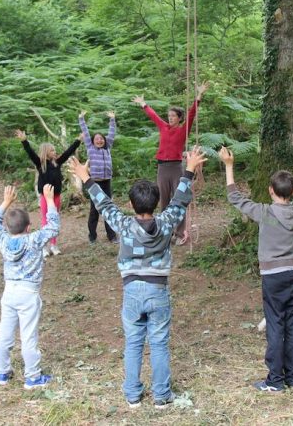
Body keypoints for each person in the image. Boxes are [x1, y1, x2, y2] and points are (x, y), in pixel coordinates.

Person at [68, 147, 207, 409]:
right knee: (159, 344)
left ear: (131, 205)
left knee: (133, 343)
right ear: (156, 203)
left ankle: (132, 395)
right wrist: (188, 170)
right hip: (158, 291)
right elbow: (179, 201)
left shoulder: (123, 224)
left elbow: (104, 204)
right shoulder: (166, 222)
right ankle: (162, 397)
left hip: (132, 291)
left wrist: (86, 177)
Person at [220, 143, 293, 392]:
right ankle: (292, 377)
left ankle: (275, 380)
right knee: (292, 325)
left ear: (269, 191)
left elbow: (235, 197)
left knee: (276, 326)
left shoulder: (264, 212)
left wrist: (229, 166)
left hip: (271, 277)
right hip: (292, 275)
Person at [0, 183, 60, 389]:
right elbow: (53, 227)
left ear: (8, 228)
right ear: (29, 227)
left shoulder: (4, 240)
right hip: (28, 292)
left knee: (5, 332)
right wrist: (48, 201)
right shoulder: (34, 239)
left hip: (9, 291)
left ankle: (2, 372)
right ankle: (33, 377)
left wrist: (5, 202)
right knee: (28, 335)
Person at [132, 82, 207, 246]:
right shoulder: (163, 127)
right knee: (164, 200)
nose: (170, 118)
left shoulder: (183, 130)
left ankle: (180, 233)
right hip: (162, 168)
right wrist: (143, 104)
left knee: (178, 199)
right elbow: (153, 116)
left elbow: (192, 114)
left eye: (173, 116)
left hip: (176, 167)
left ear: (179, 118)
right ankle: (166, 231)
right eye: (169, 115)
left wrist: (198, 97)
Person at [15, 129, 81, 256]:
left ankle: (54, 245)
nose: (54, 152)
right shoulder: (40, 163)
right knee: (45, 220)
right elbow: (30, 152)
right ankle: (44, 247)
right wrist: (24, 141)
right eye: (52, 150)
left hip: (56, 196)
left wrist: (78, 140)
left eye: (54, 150)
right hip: (45, 197)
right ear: (46, 152)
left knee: (54, 220)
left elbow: (68, 152)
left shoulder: (57, 162)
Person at [78, 110, 117, 244]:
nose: (99, 140)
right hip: (95, 183)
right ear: (93, 142)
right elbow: (86, 133)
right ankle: (92, 236)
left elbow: (112, 133)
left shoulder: (107, 148)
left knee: (108, 209)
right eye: (97, 139)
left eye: (101, 139)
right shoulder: (90, 148)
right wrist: (81, 119)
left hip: (106, 182)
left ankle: (111, 236)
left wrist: (112, 119)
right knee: (94, 210)